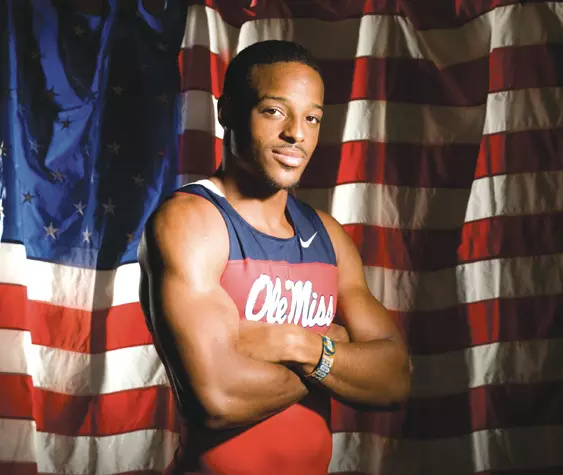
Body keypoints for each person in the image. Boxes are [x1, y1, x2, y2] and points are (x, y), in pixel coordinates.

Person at [138, 40, 411, 475]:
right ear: (227, 111)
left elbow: (394, 378)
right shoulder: (191, 221)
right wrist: (335, 352)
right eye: (274, 111)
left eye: (312, 118)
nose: (296, 134)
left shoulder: (327, 236)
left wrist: (297, 346)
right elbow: (217, 399)